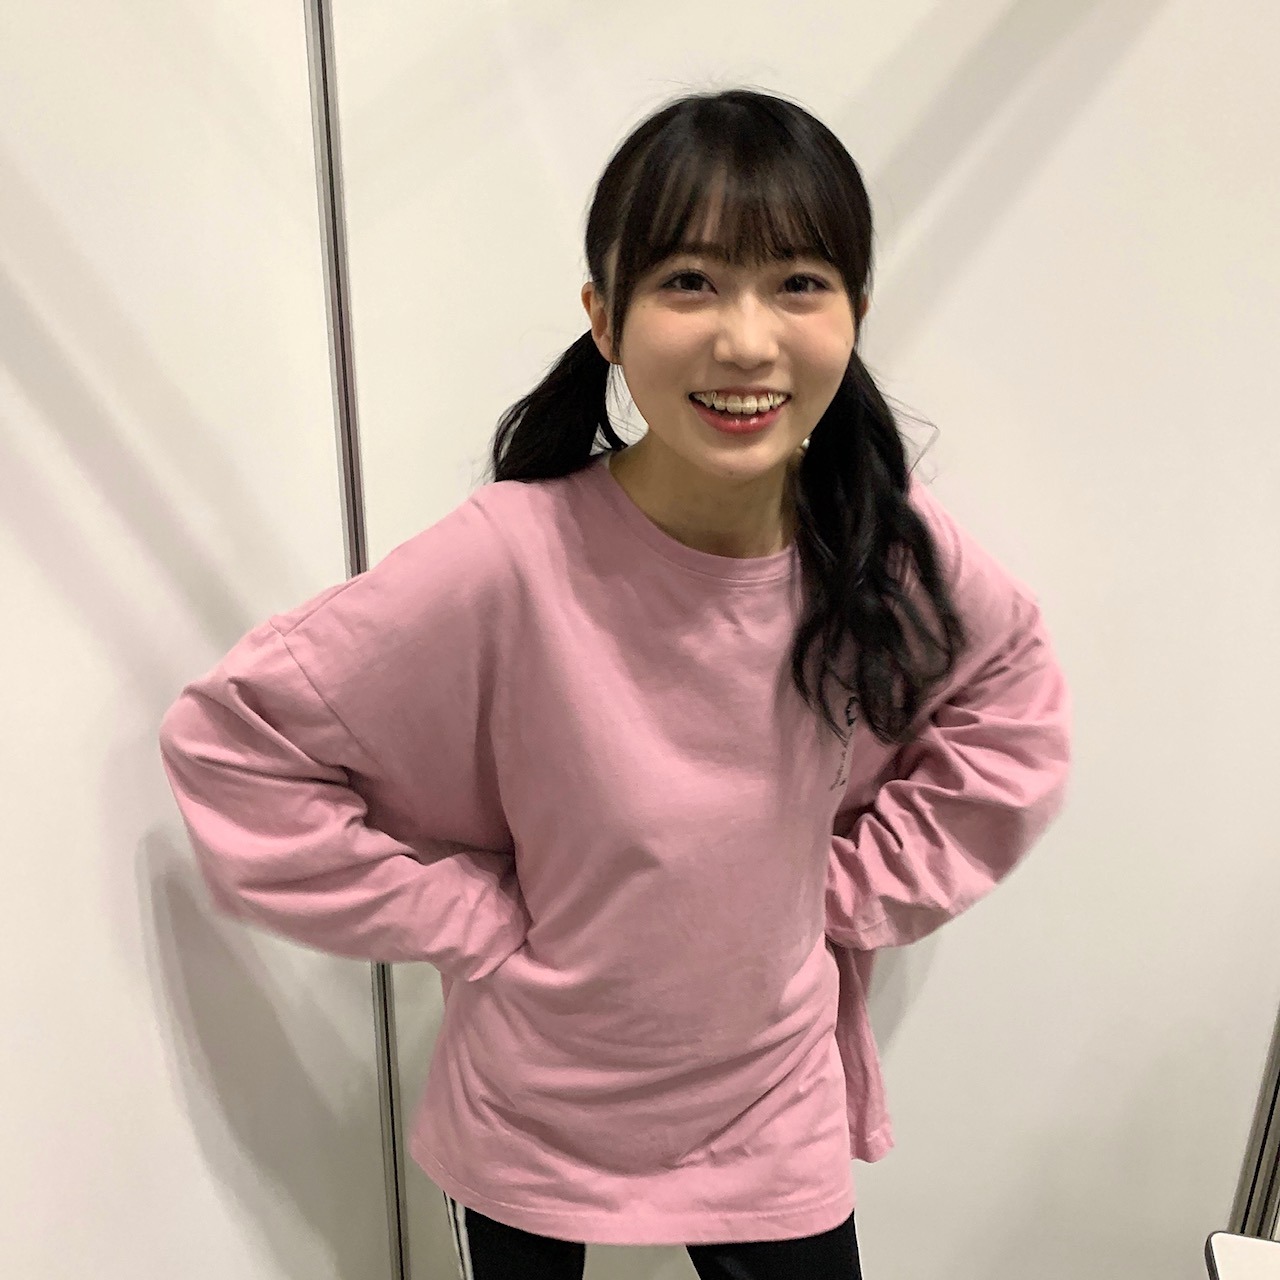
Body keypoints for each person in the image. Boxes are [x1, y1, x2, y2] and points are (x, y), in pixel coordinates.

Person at [158, 87, 1072, 1280]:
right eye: (689, 280)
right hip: (529, 1114)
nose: (745, 340)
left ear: (854, 310)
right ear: (604, 316)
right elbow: (232, 743)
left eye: (797, 283)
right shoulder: (510, 553)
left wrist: (837, 890)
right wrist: (464, 915)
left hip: (770, 1108)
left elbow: (1011, 707)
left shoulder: (878, 546)